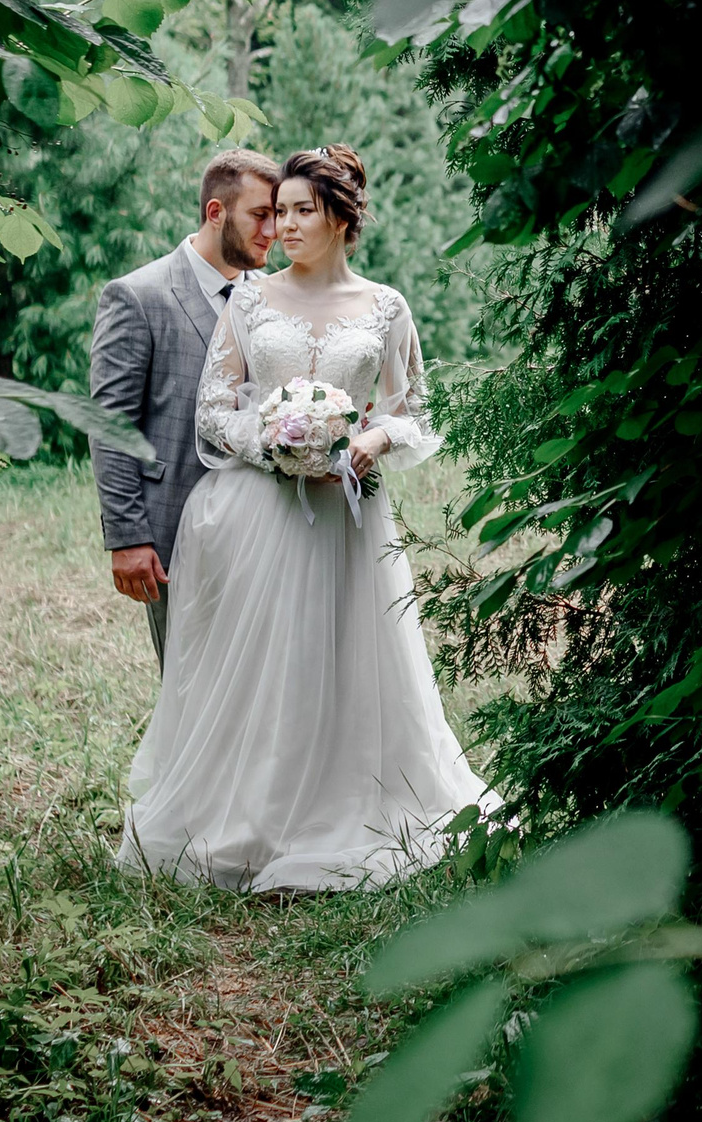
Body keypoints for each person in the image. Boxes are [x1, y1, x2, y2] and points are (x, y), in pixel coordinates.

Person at [117, 144, 493, 890]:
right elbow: (215, 407)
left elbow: (413, 409)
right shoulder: (252, 301)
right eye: (278, 210)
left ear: (341, 218)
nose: (283, 224)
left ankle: (349, 805)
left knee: (350, 659)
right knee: (264, 664)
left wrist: (370, 440)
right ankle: (251, 812)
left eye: (300, 211)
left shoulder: (386, 307)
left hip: (352, 518)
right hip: (262, 511)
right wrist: (278, 443)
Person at [90, 148, 281, 665]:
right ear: (216, 212)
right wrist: (127, 537)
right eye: (260, 215)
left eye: (279, 216)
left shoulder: (274, 298)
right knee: (191, 691)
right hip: (174, 535)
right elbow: (110, 426)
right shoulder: (137, 296)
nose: (273, 231)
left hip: (270, 528)